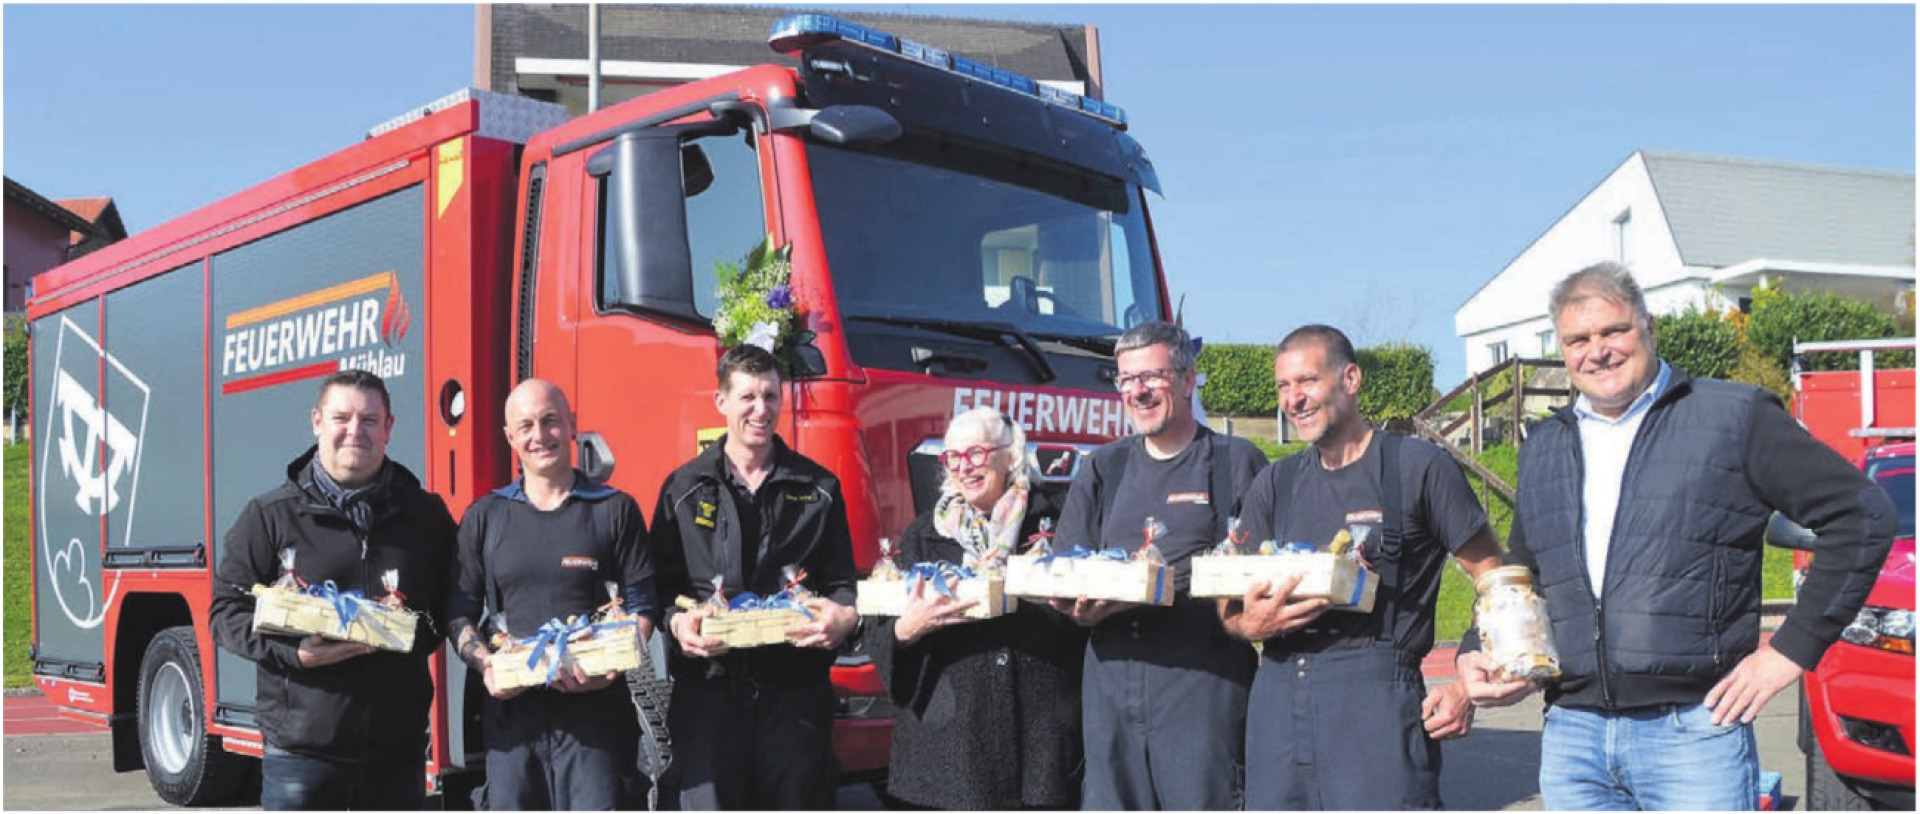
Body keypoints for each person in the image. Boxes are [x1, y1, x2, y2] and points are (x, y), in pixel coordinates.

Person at [1457, 263, 1898, 810]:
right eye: (1578, 340)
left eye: (1613, 331)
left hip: (1693, 734)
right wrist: (1480, 651)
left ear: (1646, 326)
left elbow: (1861, 515)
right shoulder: (1547, 443)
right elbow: (1528, 568)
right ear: (1564, 352)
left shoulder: (1733, 416)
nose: (1598, 351)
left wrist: (1790, 651)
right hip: (1573, 736)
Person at [1218, 324, 1503, 809]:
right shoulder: (1274, 483)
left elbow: (1497, 580)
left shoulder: (1418, 468)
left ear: (1350, 379)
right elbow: (1227, 599)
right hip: (1279, 698)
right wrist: (1247, 623)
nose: (1293, 399)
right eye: (1283, 387)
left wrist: (1465, 685)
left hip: (1378, 706)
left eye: (1307, 382)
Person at [211, 369, 456, 810]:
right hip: (302, 753)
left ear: (388, 427)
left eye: (368, 420)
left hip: (395, 753)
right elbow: (224, 612)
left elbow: (449, 604)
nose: (354, 431)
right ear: (317, 422)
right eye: (341, 417)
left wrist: (408, 631)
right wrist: (294, 653)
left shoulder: (426, 515)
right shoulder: (270, 516)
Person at [1050, 321, 1268, 810]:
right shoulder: (1105, 467)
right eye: (1125, 379)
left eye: (1151, 376)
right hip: (1111, 684)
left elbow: (1263, 571)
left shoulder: (1236, 462)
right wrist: (1076, 605)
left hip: (1202, 684)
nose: (1137, 391)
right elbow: (1069, 563)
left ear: (1189, 380)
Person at [649, 344, 862, 810]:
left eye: (770, 395)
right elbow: (660, 588)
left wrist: (844, 619)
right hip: (708, 694)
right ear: (721, 401)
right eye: (747, 397)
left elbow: (844, 584)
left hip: (795, 697)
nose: (760, 409)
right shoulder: (683, 490)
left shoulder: (819, 488)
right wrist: (677, 624)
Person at [861, 408, 1088, 810]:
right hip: (950, 748)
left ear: (1010, 455)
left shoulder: (1057, 518)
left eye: (977, 454)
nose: (965, 467)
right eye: (954, 457)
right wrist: (906, 631)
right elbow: (884, 634)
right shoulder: (923, 534)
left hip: (1041, 745)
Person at [445, 379, 656, 810]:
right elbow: (459, 609)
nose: (539, 436)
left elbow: (643, 604)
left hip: (596, 722)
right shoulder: (485, 516)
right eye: (525, 426)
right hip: (512, 727)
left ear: (572, 425)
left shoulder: (615, 509)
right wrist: (485, 664)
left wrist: (611, 668)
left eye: (550, 421)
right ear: (509, 438)